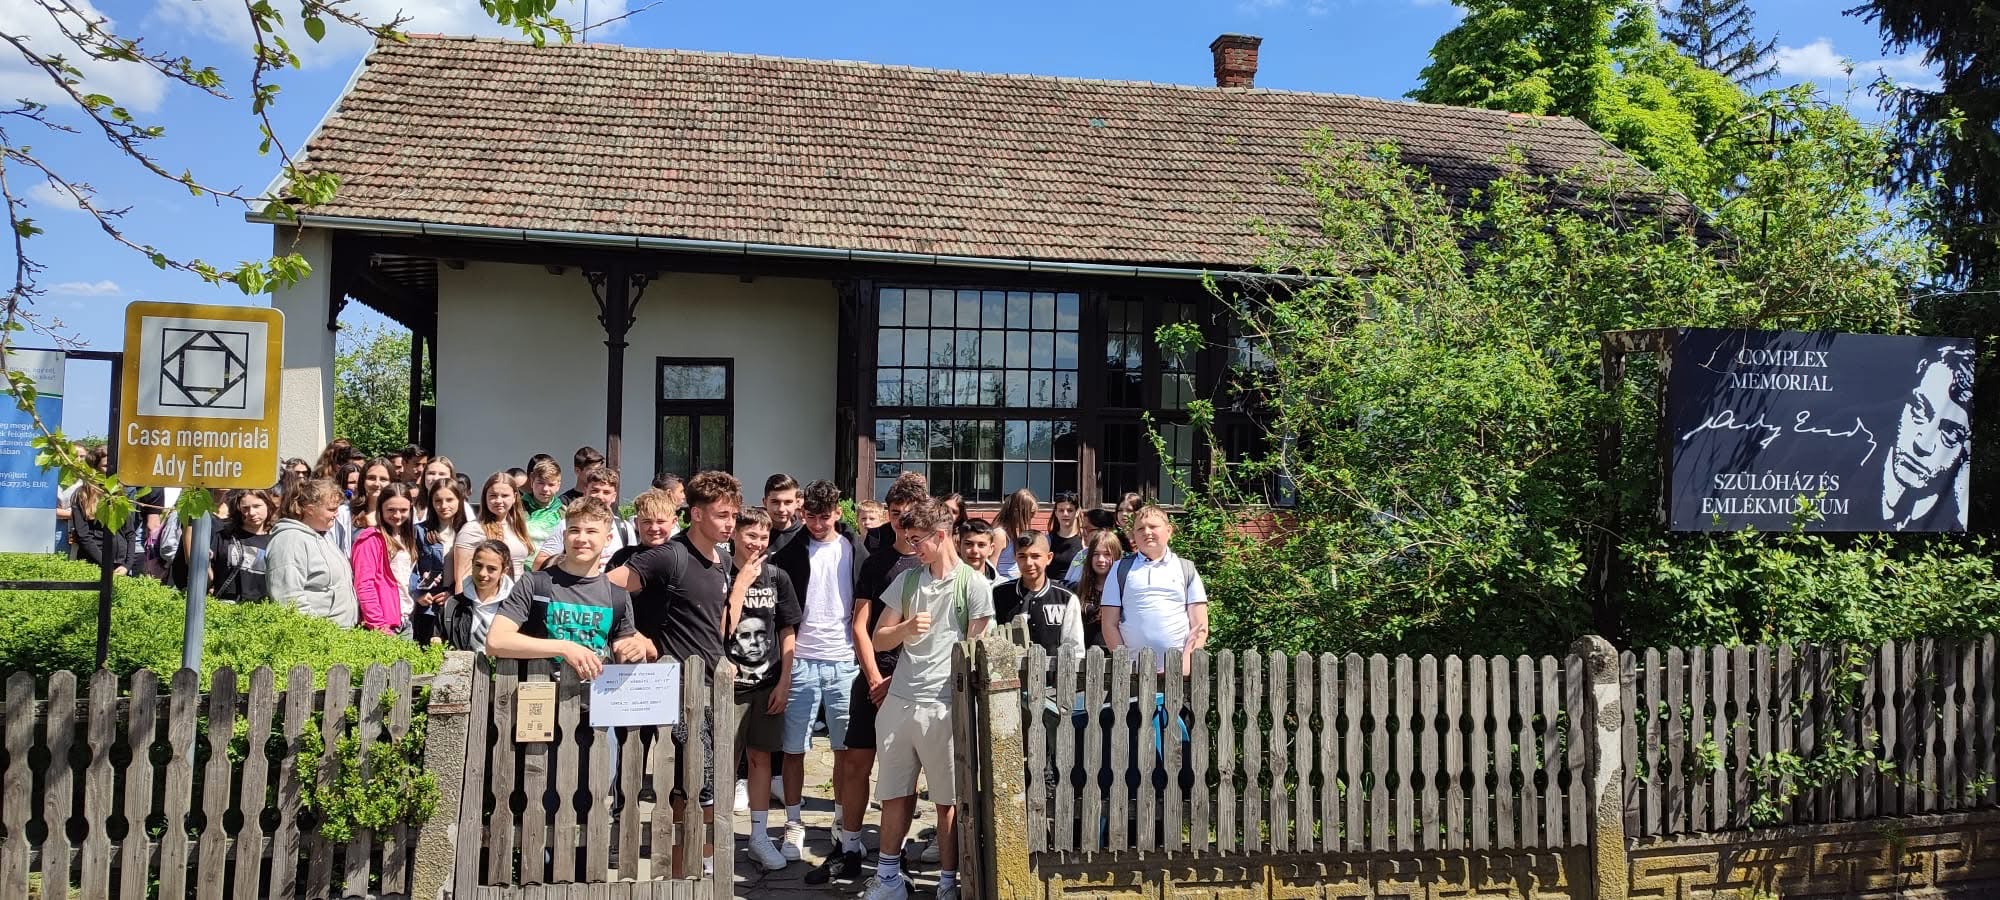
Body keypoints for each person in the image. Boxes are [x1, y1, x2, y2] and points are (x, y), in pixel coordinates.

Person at [606, 470, 743, 876]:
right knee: (695, 785)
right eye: (722, 515)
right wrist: (633, 635)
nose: (730, 523)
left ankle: (692, 873)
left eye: (734, 515)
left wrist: (724, 657)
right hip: (675, 689)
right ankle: (689, 871)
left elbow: (709, 619)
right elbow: (604, 588)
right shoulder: (668, 555)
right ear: (696, 514)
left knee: (698, 786)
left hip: (713, 687)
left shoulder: (724, 559)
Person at [863, 499, 992, 900]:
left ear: (940, 536)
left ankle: (947, 883)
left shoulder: (973, 585)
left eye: (918, 539)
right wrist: (905, 628)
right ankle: (888, 878)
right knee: (893, 792)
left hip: (944, 705)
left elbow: (976, 650)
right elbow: (878, 638)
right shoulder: (908, 581)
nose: (912, 546)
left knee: (946, 800)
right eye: (908, 538)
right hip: (901, 701)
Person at [810, 487, 923, 886]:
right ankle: (849, 848)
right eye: (895, 511)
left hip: (910, 681)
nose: (902, 519)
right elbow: (860, 625)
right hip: (873, 677)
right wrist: (874, 676)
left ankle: (897, 853)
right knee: (856, 763)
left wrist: (897, 681)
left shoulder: (929, 564)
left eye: (909, 511)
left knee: (903, 773)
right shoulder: (876, 562)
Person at [770, 479, 868, 860]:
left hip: (844, 660)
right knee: (793, 748)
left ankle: (842, 820)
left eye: (823, 517)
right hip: (801, 659)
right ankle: (793, 823)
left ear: (838, 513)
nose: (816, 524)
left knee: (845, 749)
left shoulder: (854, 549)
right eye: (810, 517)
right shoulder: (789, 551)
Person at [485, 496, 652, 679]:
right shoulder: (533, 584)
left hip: (595, 694)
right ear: (564, 536)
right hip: (540, 692)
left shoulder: (617, 595)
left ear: (608, 538)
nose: (581, 538)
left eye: (591, 531)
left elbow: (622, 649)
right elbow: (496, 641)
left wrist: (634, 649)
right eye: (574, 530)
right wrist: (564, 648)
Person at [728, 507, 803, 871]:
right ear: (734, 535)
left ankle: (759, 836)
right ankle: (716, 836)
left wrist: (785, 680)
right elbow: (717, 627)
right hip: (731, 685)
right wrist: (740, 585)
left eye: (763, 537)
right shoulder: (720, 572)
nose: (757, 543)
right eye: (750, 535)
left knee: (761, 758)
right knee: (723, 761)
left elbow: (787, 630)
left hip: (768, 682)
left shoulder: (777, 577)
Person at [1101, 505, 1208, 672]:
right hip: (1133, 672)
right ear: (1134, 534)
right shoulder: (1119, 569)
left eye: (1153, 526)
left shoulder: (1186, 569)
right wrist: (1125, 666)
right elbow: (1109, 624)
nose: (1146, 532)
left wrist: (1185, 665)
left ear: (1169, 530)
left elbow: (1200, 625)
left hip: (1177, 671)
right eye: (1140, 528)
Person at [1881, 346, 1975, 531]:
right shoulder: (1848, 462)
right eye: (1919, 410)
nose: (1923, 446)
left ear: (1966, 444)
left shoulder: (1957, 518)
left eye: (1951, 433)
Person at [266, 477, 359, 627]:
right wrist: (319, 631)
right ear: (310, 509)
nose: (336, 514)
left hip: (338, 634)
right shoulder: (289, 541)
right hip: (318, 636)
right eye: (331, 509)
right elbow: (288, 599)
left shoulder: (322, 536)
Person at [992, 530, 1084, 656]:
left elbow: (1075, 649)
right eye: (1022, 556)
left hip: (1053, 668)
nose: (1029, 563)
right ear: (1015, 558)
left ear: (1049, 558)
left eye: (1035, 556)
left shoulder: (1066, 598)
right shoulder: (999, 594)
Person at [534, 466, 633, 572]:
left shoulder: (625, 528)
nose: (600, 496)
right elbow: (538, 564)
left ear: (614, 497)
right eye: (595, 490)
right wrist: (574, 561)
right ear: (585, 491)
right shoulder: (567, 525)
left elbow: (632, 566)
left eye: (606, 492)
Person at [351, 482, 419, 633]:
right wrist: (379, 625)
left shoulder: (407, 537)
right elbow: (364, 585)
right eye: (391, 510)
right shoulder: (370, 539)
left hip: (405, 619)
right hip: (383, 624)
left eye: (403, 510)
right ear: (380, 508)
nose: (397, 515)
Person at [412, 480, 466, 643]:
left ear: (459, 500)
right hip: (427, 605)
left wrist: (452, 592)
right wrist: (418, 593)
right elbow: (410, 567)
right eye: (438, 500)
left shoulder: (468, 531)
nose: (443, 505)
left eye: (449, 500)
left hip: (457, 604)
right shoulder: (420, 531)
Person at [440, 539, 515, 653]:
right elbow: (438, 638)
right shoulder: (453, 605)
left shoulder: (514, 607)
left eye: (492, 569)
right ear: (472, 563)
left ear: (504, 571)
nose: (482, 573)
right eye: (478, 565)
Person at [456, 472, 533, 578]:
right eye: (493, 495)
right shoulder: (473, 529)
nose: (498, 501)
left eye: (505, 496)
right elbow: (462, 577)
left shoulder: (517, 526)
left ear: (514, 497)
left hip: (519, 587)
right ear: (485, 497)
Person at [209, 489, 276, 603]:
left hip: (261, 606)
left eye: (257, 506)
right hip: (225, 605)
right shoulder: (224, 536)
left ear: (268, 506)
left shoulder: (275, 540)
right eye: (245, 508)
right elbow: (209, 578)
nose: (251, 513)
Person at [1068, 529, 1124, 649]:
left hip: (1116, 654)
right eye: (1096, 554)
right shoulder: (1077, 590)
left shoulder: (1125, 590)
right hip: (1083, 655)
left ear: (1116, 556)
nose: (1100, 559)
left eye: (1107, 554)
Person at [68, 478, 133, 575]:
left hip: (120, 564)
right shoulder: (82, 495)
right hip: (93, 562)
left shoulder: (118, 495)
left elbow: (130, 533)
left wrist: (127, 565)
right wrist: (106, 564)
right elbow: (83, 536)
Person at [610, 487, 678, 569]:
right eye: (647, 522)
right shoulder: (622, 558)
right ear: (636, 523)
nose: (654, 528)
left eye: (660, 522)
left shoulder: (680, 558)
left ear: (673, 522)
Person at [990, 488, 1035, 582]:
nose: (1032, 517)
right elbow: (991, 568)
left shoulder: (1018, 531)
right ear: (1017, 511)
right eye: (1030, 513)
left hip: (1017, 582)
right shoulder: (1000, 534)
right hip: (1002, 584)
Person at [522, 459, 567, 550]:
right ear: (532, 481)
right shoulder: (518, 508)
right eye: (541, 483)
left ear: (558, 486)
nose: (545, 489)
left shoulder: (563, 512)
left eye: (551, 484)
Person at [763, 474, 804, 554]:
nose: (781, 509)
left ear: (797, 503)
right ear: (765, 502)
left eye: (788, 502)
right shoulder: (753, 534)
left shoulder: (806, 535)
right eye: (775, 502)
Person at [1047, 492, 1083, 573]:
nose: (1065, 514)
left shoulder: (1085, 540)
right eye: (1061, 510)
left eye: (1070, 510)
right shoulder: (1047, 540)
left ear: (1077, 512)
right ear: (1056, 513)